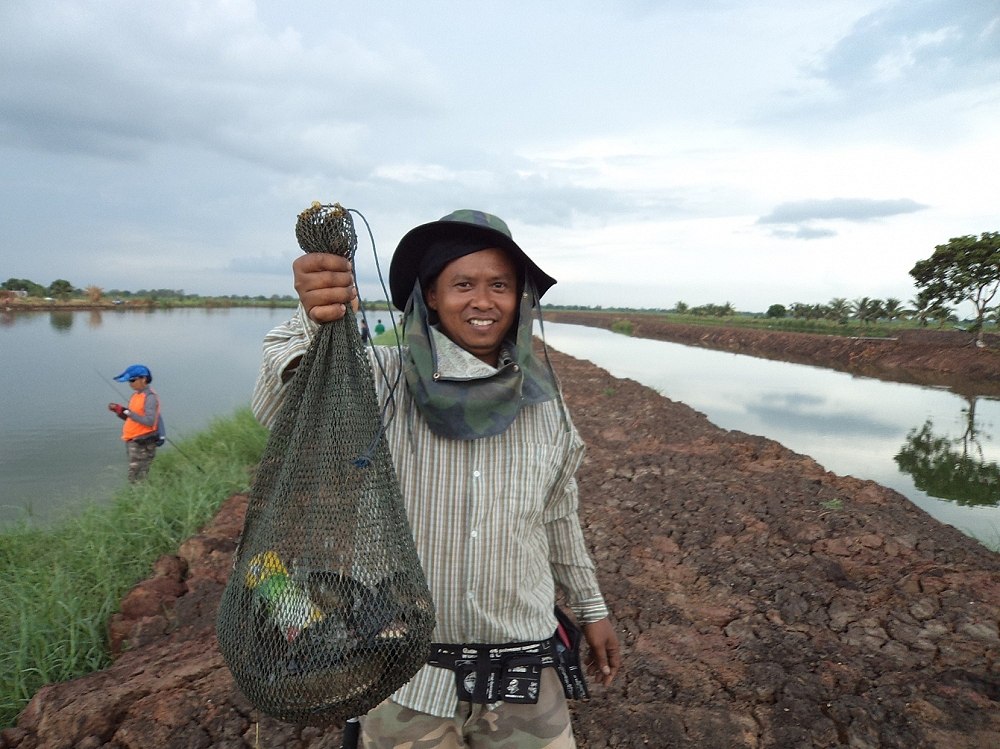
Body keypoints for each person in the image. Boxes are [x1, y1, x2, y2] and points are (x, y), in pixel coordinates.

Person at [251, 209, 621, 747]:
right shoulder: (382, 376)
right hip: (407, 670)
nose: (482, 300)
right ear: (430, 297)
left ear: (521, 298)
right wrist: (315, 317)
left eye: (500, 285)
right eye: (462, 284)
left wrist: (592, 610)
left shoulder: (545, 402)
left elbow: (558, 516)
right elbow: (285, 404)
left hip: (523, 666)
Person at [107, 364, 162, 483]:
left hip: (142, 442)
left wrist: (128, 412)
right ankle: (140, 498)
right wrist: (120, 411)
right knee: (136, 476)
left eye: (132, 380)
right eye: (129, 381)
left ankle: (140, 499)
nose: (130, 384)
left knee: (136, 478)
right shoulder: (136, 395)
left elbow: (149, 421)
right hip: (133, 440)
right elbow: (132, 418)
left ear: (144, 379)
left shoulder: (150, 397)